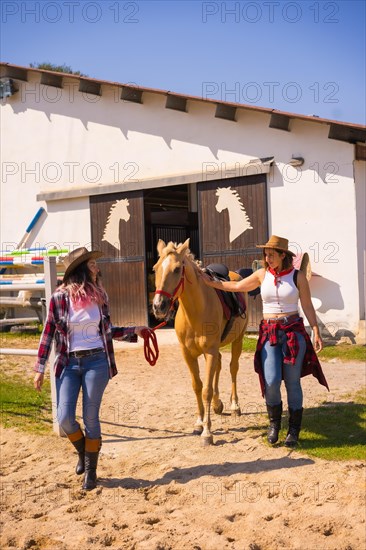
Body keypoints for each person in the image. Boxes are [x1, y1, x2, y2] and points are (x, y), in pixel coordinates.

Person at [34, 247, 149, 490]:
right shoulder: (59, 298)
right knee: (65, 418)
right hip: (68, 363)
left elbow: (108, 330)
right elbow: (48, 333)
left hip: (96, 362)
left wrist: (134, 331)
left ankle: (91, 472)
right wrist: (39, 367)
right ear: (81, 269)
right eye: (93, 263)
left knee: (90, 416)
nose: (97, 267)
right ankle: (84, 453)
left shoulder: (100, 296)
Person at [200, 235, 329, 447]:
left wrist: (315, 329)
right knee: (270, 380)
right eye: (266, 255)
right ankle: (274, 425)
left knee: (292, 382)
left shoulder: (298, 277)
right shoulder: (261, 275)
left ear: (282, 255)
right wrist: (212, 283)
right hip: (270, 332)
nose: (267, 258)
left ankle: (294, 430)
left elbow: (306, 305)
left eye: (271, 255)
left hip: (292, 332)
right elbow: (237, 286)